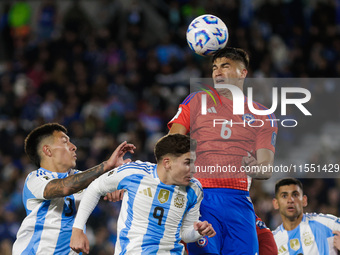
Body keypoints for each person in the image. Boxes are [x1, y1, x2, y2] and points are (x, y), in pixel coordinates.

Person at [168, 47, 278, 254]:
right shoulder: (197, 101)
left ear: (243, 73)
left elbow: (266, 169)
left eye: (225, 66)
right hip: (200, 198)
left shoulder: (263, 115)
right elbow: (170, 145)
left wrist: (255, 168)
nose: (217, 72)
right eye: (215, 67)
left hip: (239, 201)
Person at [70, 134, 216, 254]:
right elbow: (95, 188)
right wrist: (77, 230)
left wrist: (198, 231)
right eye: (187, 162)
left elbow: (185, 233)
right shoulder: (135, 172)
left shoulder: (194, 189)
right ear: (167, 163)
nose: (193, 169)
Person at [12, 123, 135, 255]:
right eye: (65, 142)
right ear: (48, 150)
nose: (73, 147)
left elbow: (101, 185)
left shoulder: (79, 177)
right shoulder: (35, 179)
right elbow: (65, 187)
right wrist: (106, 166)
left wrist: (116, 183)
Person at [272, 177, 340, 254]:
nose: (290, 200)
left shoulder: (326, 224)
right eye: (284, 196)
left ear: (304, 200)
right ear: (276, 203)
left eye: (295, 195)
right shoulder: (273, 241)